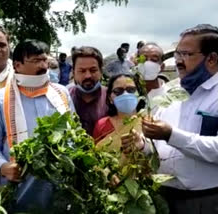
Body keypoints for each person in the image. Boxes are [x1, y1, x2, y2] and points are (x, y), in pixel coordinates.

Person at [0, 39, 74, 213]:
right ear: (18, 65)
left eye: (45, 60)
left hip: (58, 188)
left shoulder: (62, 94)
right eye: (36, 61)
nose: (44, 65)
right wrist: (2, 167)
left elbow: (74, 134)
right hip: (18, 188)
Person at [139, 24, 218, 214]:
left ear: (212, 59)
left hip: (205, 201)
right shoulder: (170, 94)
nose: (179, 62)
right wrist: (142, 145)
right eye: (177, 55)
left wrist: (171, 135)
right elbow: (156, 145)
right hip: (164, 198)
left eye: (186, 55)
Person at [93, 74, 146, 146]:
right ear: (110, 98)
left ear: (139, 94)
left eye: (131, 90)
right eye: (118, 91)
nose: (125, 94)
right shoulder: (102, 125)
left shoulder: (148, 122)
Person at [69, 46, 108, 136]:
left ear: (101, 72)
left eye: (93, 70)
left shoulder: (112, 98)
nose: (88, 76)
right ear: (73, 73)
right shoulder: (63, 98)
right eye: (82, 71)